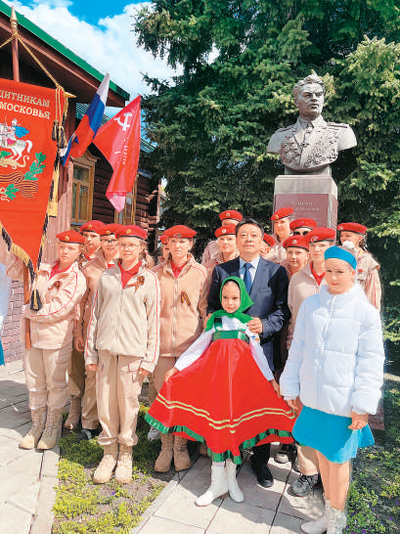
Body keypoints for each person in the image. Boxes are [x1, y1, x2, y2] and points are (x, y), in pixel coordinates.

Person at [146, 277, 295, 506]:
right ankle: (216, 483)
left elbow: (257, 353)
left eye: (234, 298)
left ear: (243, 298)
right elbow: (198, 348)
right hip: (217, 387)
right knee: (217, 431)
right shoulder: (215, 322)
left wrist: (269, 379)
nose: (230, 302)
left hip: (238, 388)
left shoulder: (247, 324)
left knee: (233, 431)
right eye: (225, 298)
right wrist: (178, 368)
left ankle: (231, 479)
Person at [280, 245, 384, 534]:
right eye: (329, 271)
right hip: (314, 400)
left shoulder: (364, 313)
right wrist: (291, 386)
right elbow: (298, 348)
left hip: (343, 404)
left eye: (340, 271)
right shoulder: (312, 305)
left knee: (338, 462)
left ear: (354, 273)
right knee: (322, 458)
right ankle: (327, 516)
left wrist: (362, 405)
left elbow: (371, 361)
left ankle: (336, 524)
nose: (334, 277)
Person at [207, 218, 290, 488]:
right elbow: (212, 306)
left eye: (254, 235)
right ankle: (231, 456)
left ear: (262, 239)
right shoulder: (222, 270)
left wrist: (264, 325)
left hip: (262, 350)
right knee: (231, 405)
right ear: (237, 239)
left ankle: (260, 460)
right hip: (229, 355)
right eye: (243, 235)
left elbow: (282, 311)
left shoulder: (276, 272)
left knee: (260, 407)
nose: (248, 239)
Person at [85, 225, 160, 484]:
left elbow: (153, 322)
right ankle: (108, 454)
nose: (126, 249)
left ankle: (126, 454)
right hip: (105, 352)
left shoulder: (149, 279)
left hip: (132, 354)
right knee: (106, 403)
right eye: (123, 244)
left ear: (141, 248)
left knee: (128, 404)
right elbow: (95, 317)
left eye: (132, 245)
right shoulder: (107, 276)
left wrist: (149, 359)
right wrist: (91, 353)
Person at [19, 231, 87, 450]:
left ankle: (51, 426)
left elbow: (60, 308)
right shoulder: (43, 269)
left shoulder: (76, 278)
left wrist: (28, 313)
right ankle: (36, 425)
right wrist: (18, 252)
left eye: (70, 248)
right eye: (61, 246)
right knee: (34, 382)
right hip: (32, 337)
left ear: (79, 251)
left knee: (55, 384)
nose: (64, 251)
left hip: (55, 338)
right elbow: (17, 275)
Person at [151, 225, 207, 472]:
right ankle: (165, 446)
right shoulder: (154, 274)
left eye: (182, 242)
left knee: (184, 399)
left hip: (189, 349)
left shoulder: (201, 273)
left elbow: (204, 312)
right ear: (167, 245)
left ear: (191, 245)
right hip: (161, 347)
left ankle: (180, 447)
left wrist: (204, 345)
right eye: (173, 242)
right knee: (162, 396)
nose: (177, 246)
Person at [286, 226, 335, 496]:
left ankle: (328, 473)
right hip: (303, 356)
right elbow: (293, 317)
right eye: (313, 246)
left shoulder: (340, 276)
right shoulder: (298, 279)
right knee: (303, 414)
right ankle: (307, 472)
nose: (317, 250)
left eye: (323, 246)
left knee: (328, 415)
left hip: (332, 359)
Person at [65, 223, 122, 438]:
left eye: (113, 240)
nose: (109, 244)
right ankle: (88, 423)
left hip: (119, 331)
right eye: (106, 240)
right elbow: (80, 303)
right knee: (91, 374)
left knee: (115, 380)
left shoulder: (129, 267)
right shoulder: (90, 268)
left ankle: (113, 423)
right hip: (92, 329)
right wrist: (78, 332)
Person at [267, 74, 357, 178]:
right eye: (307, 95)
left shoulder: (342, 133)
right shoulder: (279, 137)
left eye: (318, 95)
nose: (314, 99)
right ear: (296, 102)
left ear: (323, 99)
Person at [337, 222, 381, 310]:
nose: (343, 239)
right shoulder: (332, 256)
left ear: (359, 238)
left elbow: (373, 296)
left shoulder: (368, 262)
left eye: (348, 236)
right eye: (341, 235)